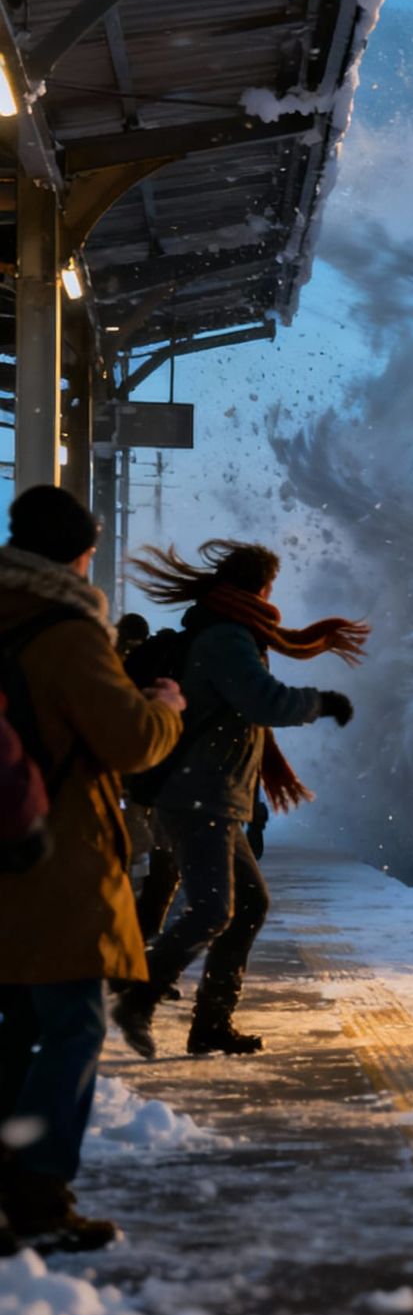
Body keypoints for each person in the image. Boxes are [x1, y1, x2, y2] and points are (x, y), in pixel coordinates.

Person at [0, 486, 183, 1253]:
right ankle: (37, 1192)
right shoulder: (70, 632)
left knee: (15, 1026)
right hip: (54, 852)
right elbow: (130, 740)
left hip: (7, 843)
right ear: (80, 554)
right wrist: (165, 705)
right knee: (72, 1024)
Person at [111, 542, 365, 1059]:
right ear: (262, 587)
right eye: (273, 585)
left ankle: (211, 1023)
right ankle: (139, 997)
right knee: (212, 910)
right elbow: (264, 701)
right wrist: (323, 702)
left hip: (209, 796)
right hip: (199, 796)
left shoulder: (227, 630)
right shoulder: (227, 638)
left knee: (248, 906)